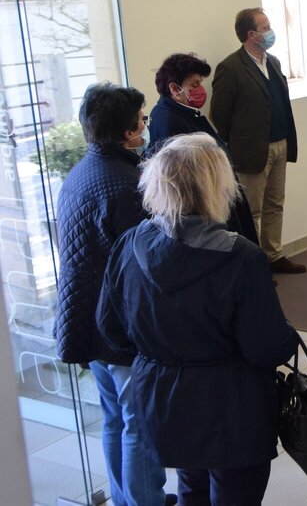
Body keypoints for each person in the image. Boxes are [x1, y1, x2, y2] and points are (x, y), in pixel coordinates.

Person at [96, 133, 298, 506]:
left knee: (192, 490)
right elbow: (266, 347)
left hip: (164, 404)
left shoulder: (129, 245)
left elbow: (110, 329)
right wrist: (289, 337)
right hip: (232, 410)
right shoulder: (241, 258)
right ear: (217, 186)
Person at [53, 83, 174, 506]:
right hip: (119, 327)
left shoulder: (80, 173)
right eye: (141, 120)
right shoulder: (127, 186)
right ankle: (145, 501)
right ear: (127, 133)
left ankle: (127, 499)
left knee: (115, 419)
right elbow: (143, 266)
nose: (145, 126)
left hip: (86, 319)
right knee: (139, 423)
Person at [210, 7, 306, 274]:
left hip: (280, 143)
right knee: (251, 210)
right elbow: (220, 115)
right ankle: (253, 265)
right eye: (265, 27)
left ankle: (274, 255)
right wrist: (236, 144)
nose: (270, 31)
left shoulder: (272, 62)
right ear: (251, 34)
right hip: (251, 150)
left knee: (275, 203)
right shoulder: (230, 68)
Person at [147, 52, 259, 246]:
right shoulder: (170, 120)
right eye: (194, 85)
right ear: (174, 88)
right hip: (205, 207)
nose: (201, 90)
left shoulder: (184, 113)